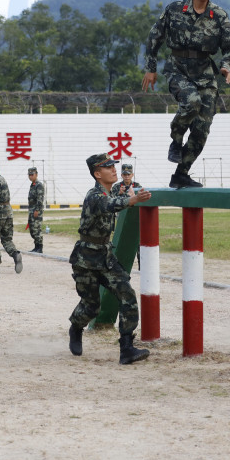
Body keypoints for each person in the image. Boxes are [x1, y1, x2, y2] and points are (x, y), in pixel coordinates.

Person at [142, 0, 230, 189]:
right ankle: (176, 140)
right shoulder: (175, 9)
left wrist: (226, 67)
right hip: (178, 69)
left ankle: (181, 174)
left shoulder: (219, 15)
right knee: (191, 102)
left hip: (206, 73)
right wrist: (150, 68)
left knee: (202, 128)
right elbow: (154, 37)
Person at [67, 153, 152, 365]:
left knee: (127, 295)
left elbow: (115, 199)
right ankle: (76, 328)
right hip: (86, 257)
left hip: (105, 256)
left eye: (113, 166)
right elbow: (109, 204)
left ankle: (126, 348)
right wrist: (133, 199)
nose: (114, 170)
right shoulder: (95, 195)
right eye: (108, 168)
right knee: (91, 306)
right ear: (97, 174)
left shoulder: (111, 191)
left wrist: (128, 196)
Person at [27, 167, 45, 253]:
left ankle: (39, 247)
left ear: (36, 175)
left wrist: (37, 210)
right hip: (31, 210)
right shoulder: (32, 185)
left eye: (32, 174)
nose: (30, 176)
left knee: (37, 228)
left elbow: (40, 199)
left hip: (36, 211)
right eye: (29, 175)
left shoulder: (39, 185)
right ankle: (36, 246)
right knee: (32, 228)